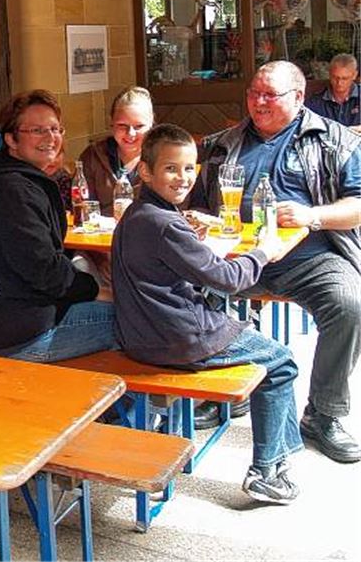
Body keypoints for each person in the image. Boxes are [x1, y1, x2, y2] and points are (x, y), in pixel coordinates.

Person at [113, 124, 303, 504]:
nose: (182, 178)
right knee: (281, 362)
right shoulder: (164, 224)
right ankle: (268, 470)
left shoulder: (140, 213)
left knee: (239, 325)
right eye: (170, 169)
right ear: (146, 172)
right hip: (179, 341)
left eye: (189, 169)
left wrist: (192, 238)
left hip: (140, 336)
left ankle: (279, 458)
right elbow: (231, 278)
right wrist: (264, 251)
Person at [192, 60, 361, 464]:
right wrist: (203, 219)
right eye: (254, 93)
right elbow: (193, 198)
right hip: (239, 258)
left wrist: (312, 215)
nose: (259, 102)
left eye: (271, 95)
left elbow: (358, 205)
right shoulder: (225, 142)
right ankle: (224, 392)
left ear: (299, 97)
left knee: (349, 304)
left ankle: (323, 413)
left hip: (310, 258)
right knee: (188, 292)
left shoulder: (335, 140)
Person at [0, 90, 117, 361]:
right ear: (11, 139)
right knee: (142, 317)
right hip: (19, 333)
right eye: (37, 130)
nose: (50, 138)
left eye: (55, 129)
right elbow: (43, 269)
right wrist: (97, 291)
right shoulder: (12, 190)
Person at [78, 85, 154, 216]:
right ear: (111, 123)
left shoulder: (162, 156)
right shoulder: (92, 156)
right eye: (122, 126)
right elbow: (83, 206)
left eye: (139, 126)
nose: (130, 133)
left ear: (151, 123)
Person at [304, 53, 360, 131]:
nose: (339, 83)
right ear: (329, 74)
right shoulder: (315, 102)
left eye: (344, 78)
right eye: (335, 77)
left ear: (354, 75)